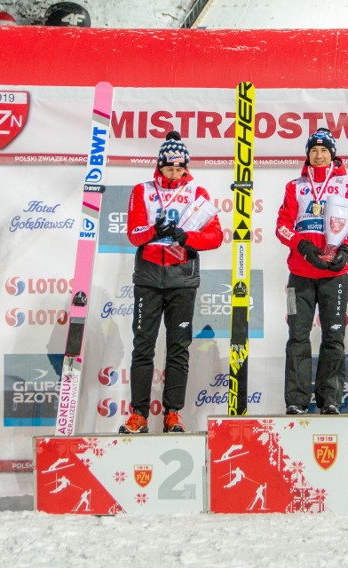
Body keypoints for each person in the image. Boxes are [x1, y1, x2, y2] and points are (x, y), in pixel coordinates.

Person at [119, 131, 222, 434]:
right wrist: (154, 230)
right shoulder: (143, 190)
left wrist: (184, 236)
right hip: (149, 277)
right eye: (169, 168)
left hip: (182, 279)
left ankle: (172, 414)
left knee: (178, 348)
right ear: (159, 167)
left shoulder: (197, 193)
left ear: (186, 168)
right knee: (143, 346)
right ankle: (138, 415)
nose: (175, 174)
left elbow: (215, 236)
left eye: (180, 169)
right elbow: (134, 234)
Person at [275, 128, 348, 415]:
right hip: (300, 275)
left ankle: (329, 398)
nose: (318, 155)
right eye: (314, 150)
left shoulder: (347, 184)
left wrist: (346, 250)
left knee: (333, 336)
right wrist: (303, 247)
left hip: (334, 275)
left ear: (333, 155)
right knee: (298, 336)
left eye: (324, 151)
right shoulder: (295, 186)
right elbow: (282, 226)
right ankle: (296, 400)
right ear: (307, 154)